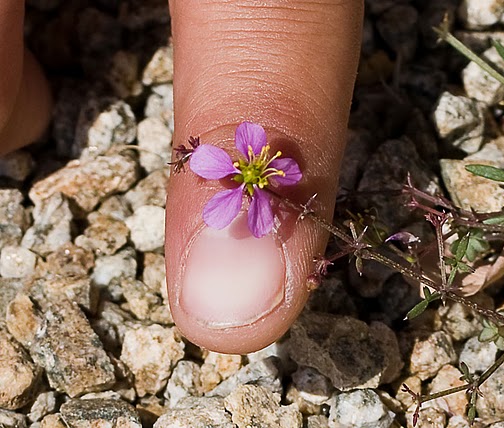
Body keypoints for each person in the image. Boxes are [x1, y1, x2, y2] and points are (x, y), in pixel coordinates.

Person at [0, 0, 364, 354]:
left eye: (254, 173)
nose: (252, 172)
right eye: (250, 172)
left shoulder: (266, 173)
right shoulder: (242, 172)